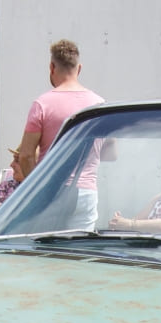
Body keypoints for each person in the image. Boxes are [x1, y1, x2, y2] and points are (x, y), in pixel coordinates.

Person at [13, 39, 104, 230]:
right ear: (79, 68)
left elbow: (26, 155)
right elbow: (111, 153)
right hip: (87, 191)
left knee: (48, 250)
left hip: (53, 189)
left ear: (52, 67)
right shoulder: (99, 104)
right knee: (78, 254)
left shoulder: (42, 104)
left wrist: (36, 190)